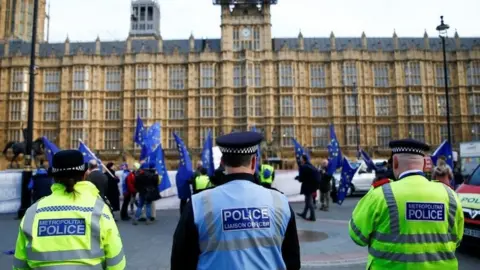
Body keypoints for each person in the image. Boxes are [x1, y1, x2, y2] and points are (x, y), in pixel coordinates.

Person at [171, 131, 301, 270]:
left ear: (222, 162)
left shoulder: (198, 204)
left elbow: (181, 262)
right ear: (253, 162)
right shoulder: (280, 202)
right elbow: (292, 261)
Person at [349, 139, 464, 269]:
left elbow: (357, 235)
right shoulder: (450, 195)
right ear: (423, 164)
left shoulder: (380, 194)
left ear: (396, 162)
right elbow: (457, 239)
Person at [13, 150, 126, 269]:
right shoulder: (99, 210)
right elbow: (117, 263)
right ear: (84, 175)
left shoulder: (32, 212)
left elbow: (19, 265)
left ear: (54, 177)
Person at [296, 154, 319, 221]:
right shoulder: (310, 165)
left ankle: (313, 217)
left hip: (308, 186)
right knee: (307, 200)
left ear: (303, 159)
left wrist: (298, 178)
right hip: (312, 186)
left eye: (301, 158)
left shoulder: (304, 167)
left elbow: (302, 178)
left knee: (309, 202)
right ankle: (304, 214)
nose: (300, 159)